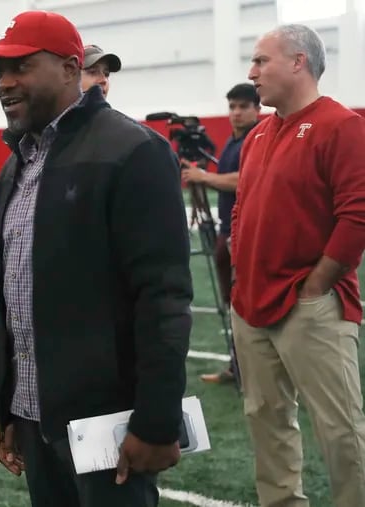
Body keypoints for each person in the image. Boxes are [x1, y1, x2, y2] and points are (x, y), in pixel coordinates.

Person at [0, 10, 193, 507]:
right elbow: (15, 295)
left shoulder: (134, 151)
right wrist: (5, 405)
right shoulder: (16, 165)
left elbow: (163, 296)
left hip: (106, 422)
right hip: (33, 416)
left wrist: (156, 420)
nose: (5, 83)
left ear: (71, 69)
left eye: (20, 67)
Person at [232, 24, 365, 507]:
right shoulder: (258, 134)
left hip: (311, 307)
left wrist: (317, 284)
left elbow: (357, 215)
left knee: (341, 430)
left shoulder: (341, 125)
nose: (252, 73)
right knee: (265, 421)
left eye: (261, 61)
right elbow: (243, 207)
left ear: (298, 62)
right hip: (249, 305)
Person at [181, 82, 260, 384]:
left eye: (243, 107)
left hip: (245, 236)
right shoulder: (232, 142)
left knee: (244, 305)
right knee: (232, 303)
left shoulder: (257, 139)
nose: (236, 113)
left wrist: (205, 177)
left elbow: (245, 180)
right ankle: (236, 366)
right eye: (232, 107)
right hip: (226, 231)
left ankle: (251, 370)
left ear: (257, 109)